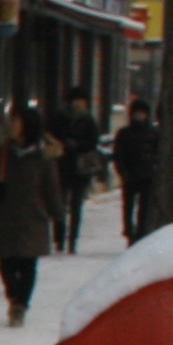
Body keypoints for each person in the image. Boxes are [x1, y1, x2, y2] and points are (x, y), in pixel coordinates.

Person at [0, 103, 66, 327]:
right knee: (6, 262)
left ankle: (20, 305)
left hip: (33, 217)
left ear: (26, 126)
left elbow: (51, 190)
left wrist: (58, 217)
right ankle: (14, 296)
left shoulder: (42, 159)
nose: (11, 125)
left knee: (28, 264)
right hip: (6, 215)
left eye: (15, 121)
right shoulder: (3, 153)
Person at [48, 87, 105, 251]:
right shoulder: (59, 118)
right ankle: (60, 238)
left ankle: (73, 238)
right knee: (60, 204)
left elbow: (93, 141)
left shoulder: (88, 120)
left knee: (76, 205)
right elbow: (51, 137)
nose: (81, 104)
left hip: (80, 167)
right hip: (62, 164)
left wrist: (77, 145)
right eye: (78, 100)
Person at [111, 95, 161, 244]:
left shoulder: (153, 133)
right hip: (130, 175)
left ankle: (141, 232)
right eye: (137, 112)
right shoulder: (125, 133)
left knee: (144, 208)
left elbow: (158, 153)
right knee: (128, 207)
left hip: (147, 175)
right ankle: (129, 231)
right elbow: (118, 154)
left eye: (142, 113)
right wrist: (122, 171)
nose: (139, 115)